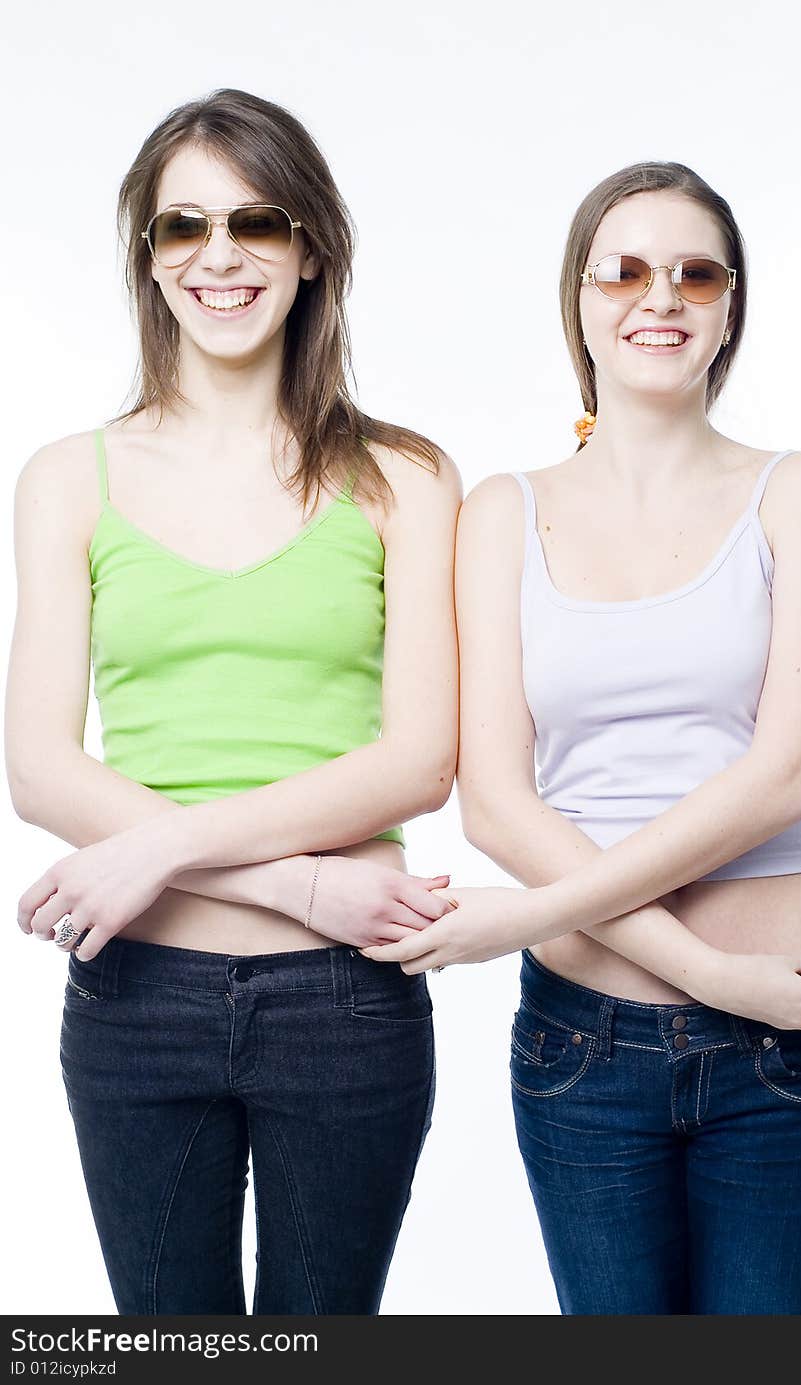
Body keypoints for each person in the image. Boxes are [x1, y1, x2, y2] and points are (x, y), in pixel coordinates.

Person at [363, 162, 801, 1314]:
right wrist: (709, 975)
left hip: (791, 1033)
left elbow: (785, 774)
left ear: (730, 306)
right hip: (587, 1049)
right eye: (625, 270)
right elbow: (494, 800)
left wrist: (524, 918)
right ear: (579, 300)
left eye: (696, 272)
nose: (662, 296)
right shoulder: (502, 510)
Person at [6, 87, 461, 1315]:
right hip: (137, 998)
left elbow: (421, 760)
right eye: (181, 227)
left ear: (309, 248)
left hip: (343, 1001)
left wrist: (155, 844)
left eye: (256, 221)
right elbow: (41, 771)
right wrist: (299, 879)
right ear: (148, 261)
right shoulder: (65, 477)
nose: (219, 255)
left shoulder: (406, 478)